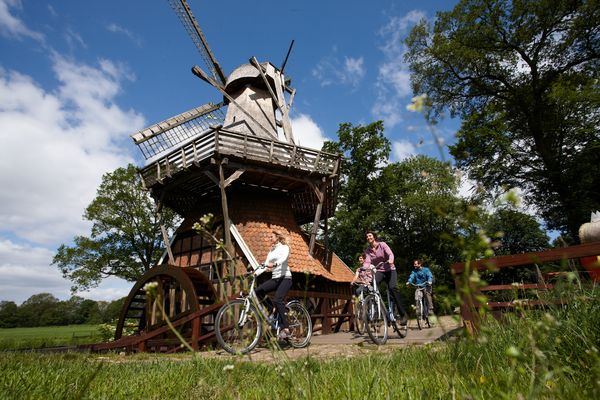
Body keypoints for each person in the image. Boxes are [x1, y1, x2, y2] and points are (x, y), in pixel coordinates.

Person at [362, 231, 408, 325]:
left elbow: (390, 253)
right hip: (379, 271)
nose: (368, 237)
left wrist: (391, 260)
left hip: (390, 269)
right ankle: (377, 312)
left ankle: (403, 314)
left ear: (374, 237)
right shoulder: (368, 250)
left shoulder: (382, 245)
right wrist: (364, 267)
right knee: (372, 286)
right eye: (367, 236)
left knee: (392, 288)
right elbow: (367, 261)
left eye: (370, 235)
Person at [255, 230, 292, 339]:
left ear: (277, 237)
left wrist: (275, 264)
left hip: (285, 278)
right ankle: (271, 309)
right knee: (258, 291)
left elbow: (283, 259)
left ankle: (286, 328)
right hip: (276, 278)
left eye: (271, 236)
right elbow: (265, 265)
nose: (270, 238)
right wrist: (254, 273)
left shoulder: (284, 247)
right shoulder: (271, 251)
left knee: (277, 299)